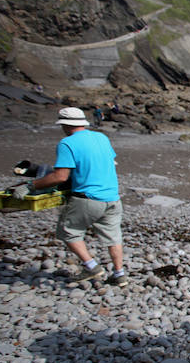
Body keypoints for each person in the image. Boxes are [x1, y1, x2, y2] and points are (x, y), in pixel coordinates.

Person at [15, 107, 127, 285]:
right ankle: (119, 274)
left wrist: (30, 186)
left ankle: (91, 267)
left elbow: (60, 176)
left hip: (87, 198)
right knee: (113, 237)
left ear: (65, 125)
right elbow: (110, 162)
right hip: (112, 197)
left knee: (69, 232)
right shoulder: (101, 137)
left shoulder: (67, 143)